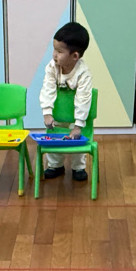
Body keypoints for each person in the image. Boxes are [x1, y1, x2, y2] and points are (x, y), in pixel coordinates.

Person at [40, 22, 93, 182]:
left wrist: (78, 124)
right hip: (57, 115)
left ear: (75, 56)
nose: (54, 55)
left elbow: (83, 99)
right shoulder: (52, 67)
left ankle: (78, 168)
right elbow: (47, 88)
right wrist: (47, 112)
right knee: (54, 137)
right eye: (54, 49)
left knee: (77, 139)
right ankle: (55, 165)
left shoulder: (83, 74)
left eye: (59, 51)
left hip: (75, 117)